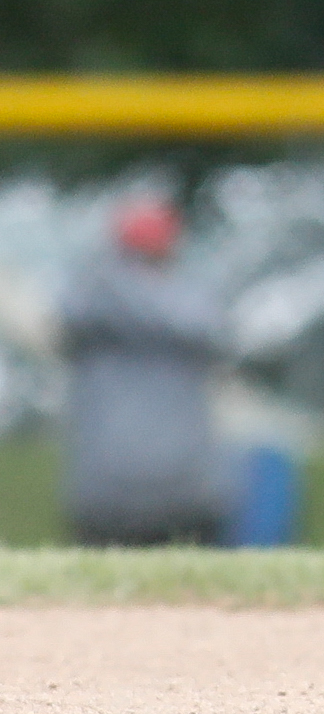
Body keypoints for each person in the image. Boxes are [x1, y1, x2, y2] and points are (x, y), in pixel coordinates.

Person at [60, 190, 228, 547]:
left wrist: (123, 279)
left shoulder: (108, 289)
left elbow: (210, 327)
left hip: (177, 488)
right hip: (116, 491)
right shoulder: (95, 298)